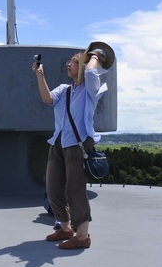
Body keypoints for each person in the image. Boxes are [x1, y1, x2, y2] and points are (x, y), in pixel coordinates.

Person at [33, 44, 113, 249]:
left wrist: (95, 55)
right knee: (53, 188)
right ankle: (66, 227)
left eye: (74, 62)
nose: (69, 64)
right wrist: (40, 75)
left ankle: (82, 236)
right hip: (59, 141)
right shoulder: (64, 89)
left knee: (75, 190)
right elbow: (47, 99)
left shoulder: (91, 89)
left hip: (78, 144)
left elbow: (91, 71)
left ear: (84, 65)